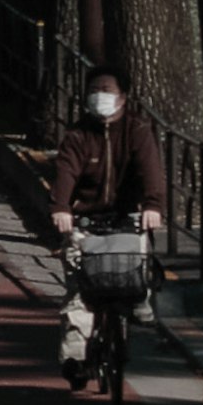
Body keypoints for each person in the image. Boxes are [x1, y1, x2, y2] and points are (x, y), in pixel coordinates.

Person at [48, 66, 170, 381]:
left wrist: (153, 206)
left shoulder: (138, 130)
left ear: (123, 98)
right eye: (94, 90)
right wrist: (61, 207)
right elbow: (65, 172)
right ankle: (75, 358)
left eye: (107, 90)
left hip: (127, 216)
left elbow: (151, 171)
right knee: (79, 292)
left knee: (137, 266)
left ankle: (142, 299)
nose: (99, 97)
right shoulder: (78, 135)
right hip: (86, 218)